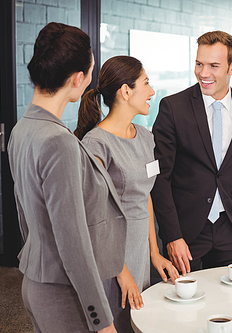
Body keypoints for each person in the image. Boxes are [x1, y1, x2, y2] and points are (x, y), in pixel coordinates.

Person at [8, 22, 126, 333]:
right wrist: (102, 321)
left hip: (36, 282)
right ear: (77, 78)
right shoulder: (57, 141)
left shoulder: (22, 129)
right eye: (90, 72)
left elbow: (25, 215)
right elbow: (73, 242)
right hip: (65, 293)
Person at [75, 56, 180, 332]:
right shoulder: (96, 143)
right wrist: (121, 272)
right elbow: (93, 216)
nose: (152, 91)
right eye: (146, 83)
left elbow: (144, 197)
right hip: (110, 257)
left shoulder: (146, 137)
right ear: (125, 91)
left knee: (137, 323)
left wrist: (154, 253)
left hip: (139, 251)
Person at [151, 30, 232, 275]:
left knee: (229, 302)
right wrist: (172, 235)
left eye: (214, 65)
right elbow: (161, 177)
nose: (204, 73)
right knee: (182, 305)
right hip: (186, 231)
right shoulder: (173, 108)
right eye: (199, 64)